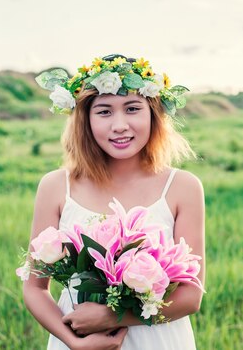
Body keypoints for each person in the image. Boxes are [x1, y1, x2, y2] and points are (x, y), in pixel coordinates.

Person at [21, 54, 205, 350]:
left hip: (157, 339)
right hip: (79, 339)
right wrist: (72, 342)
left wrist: (113, 316)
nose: (119, 125)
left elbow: (191, 295)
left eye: (132, 109)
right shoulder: (56, 186)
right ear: (85, 120)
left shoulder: (182, 187)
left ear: (153, 115)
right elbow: (34, 287)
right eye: (104, 112)